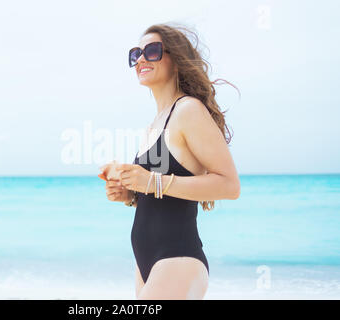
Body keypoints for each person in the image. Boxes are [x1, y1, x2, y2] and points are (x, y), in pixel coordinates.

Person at [101, 23, 240, 300]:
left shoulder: (188, 109)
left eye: (152, 51)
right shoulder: (154, 124)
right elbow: (162, 193)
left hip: (178, 257)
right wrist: (129, 194)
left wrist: (151, 181)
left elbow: (229, 186)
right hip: (147, 263)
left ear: (175, 60)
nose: (141, 58)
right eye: (136, 54)